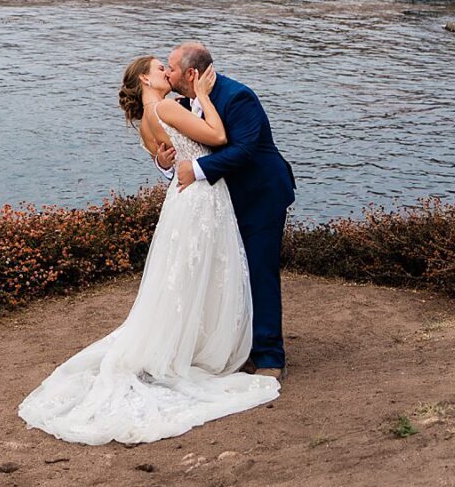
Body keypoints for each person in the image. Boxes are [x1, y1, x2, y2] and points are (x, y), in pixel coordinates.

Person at [16, 53, 280, 446]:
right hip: (199, 199)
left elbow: (170, 160)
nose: (166, 73)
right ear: (144, 79)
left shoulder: (146, 118)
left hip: (187, 198)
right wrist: (205, 99)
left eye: (169, 67)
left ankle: (200, 341)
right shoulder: (171, 106)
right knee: (207, 271)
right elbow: (219, 139)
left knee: (191, 274)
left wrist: (164, 161)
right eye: (160, 68)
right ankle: (216, 348)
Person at [161, 42, 296, 377]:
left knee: (259, 271)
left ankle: (269, 358)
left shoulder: (237, 97)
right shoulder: (183, 102)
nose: (167, 73)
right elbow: (184, 150)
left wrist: (196, 169)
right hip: (222, 202)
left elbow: (246, 150)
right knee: (230, 272)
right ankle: (237, 345)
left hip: (260, 195)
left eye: (172, 68)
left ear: (191, 73)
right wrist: (167, 165)